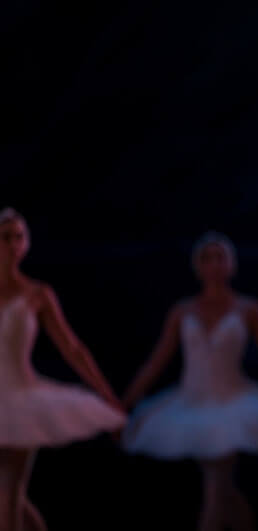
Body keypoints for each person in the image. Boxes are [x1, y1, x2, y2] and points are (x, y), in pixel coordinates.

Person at [122, 232, 258, 531]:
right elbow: (156, 362)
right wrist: (125, 402)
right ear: (197, 266)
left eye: (220, 257)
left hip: (232, 403)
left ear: (232, 264)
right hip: (191, 405)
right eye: (207, 258)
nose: (214, 264)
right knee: (223, 491)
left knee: (215, 489)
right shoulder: (183, 311)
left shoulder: (248, 308)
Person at [0, 208, 125, 531]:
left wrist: (106, 394)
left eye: (19, 237)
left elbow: (72, 348)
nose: (13, 244)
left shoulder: (37, 294)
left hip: (20, 400)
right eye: (5, 237)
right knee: (9, 498)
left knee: (9, 495)